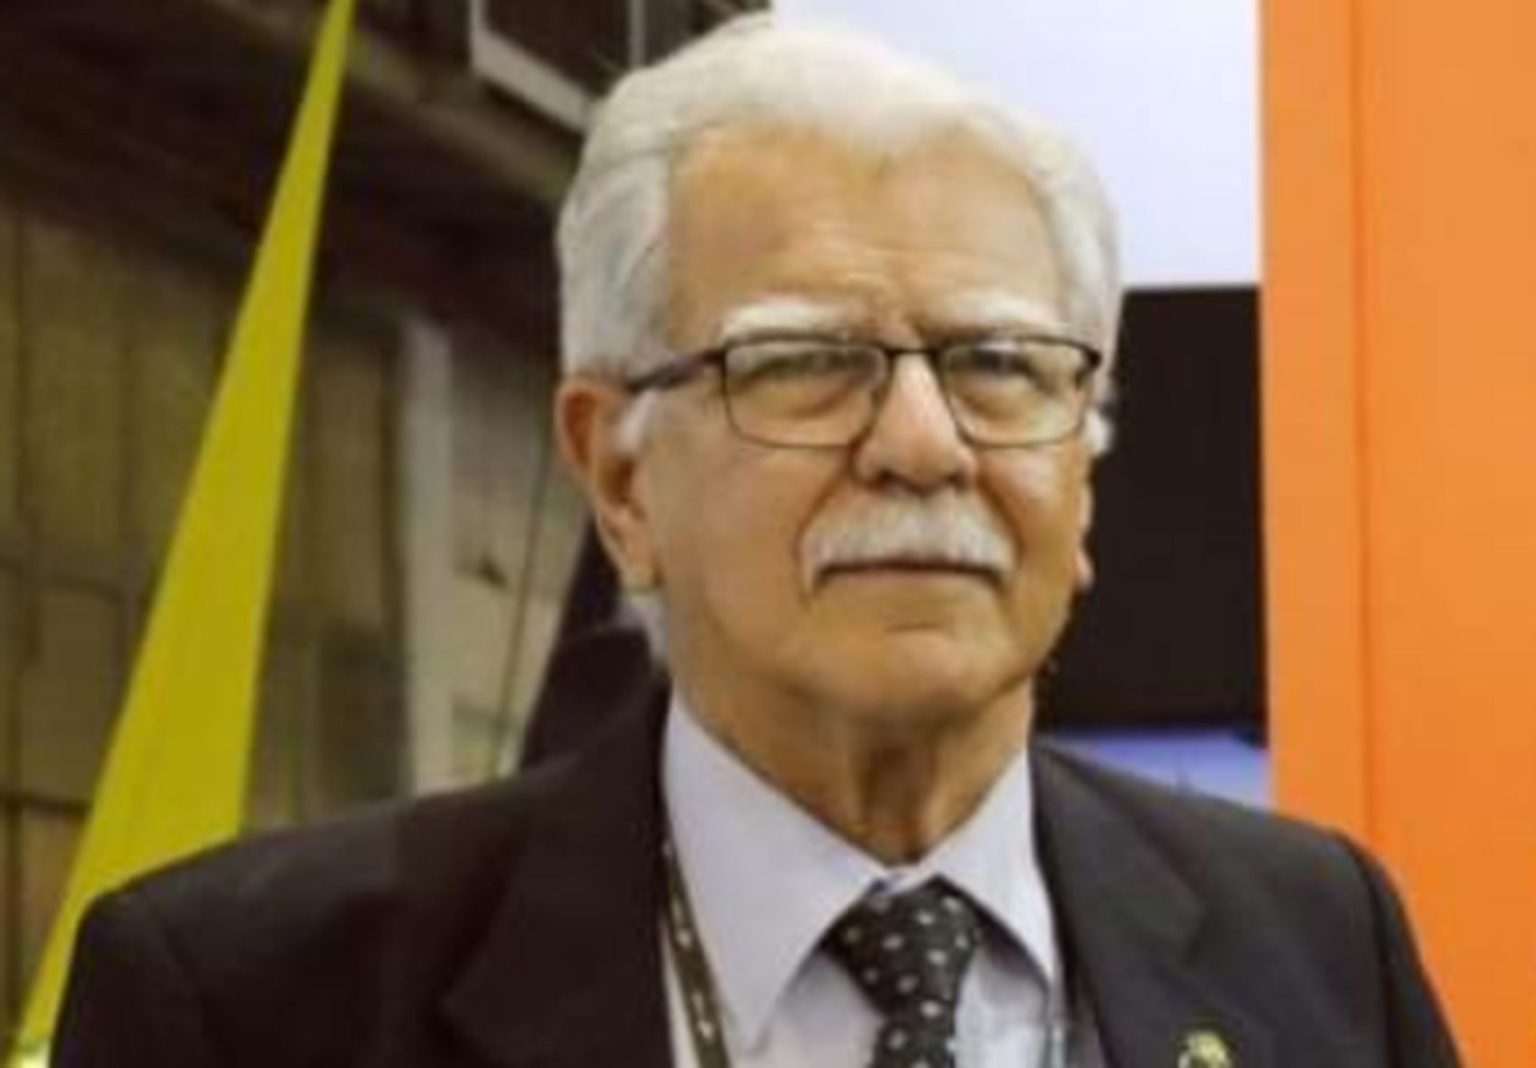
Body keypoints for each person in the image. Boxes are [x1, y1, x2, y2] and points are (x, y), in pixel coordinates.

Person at [55, 15, 1461, 1067]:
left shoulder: (1318, 948)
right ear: (618, 475)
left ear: (1081, 476)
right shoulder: (251, 1003)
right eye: (805, 364)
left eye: (997, 363)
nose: (924, 444)